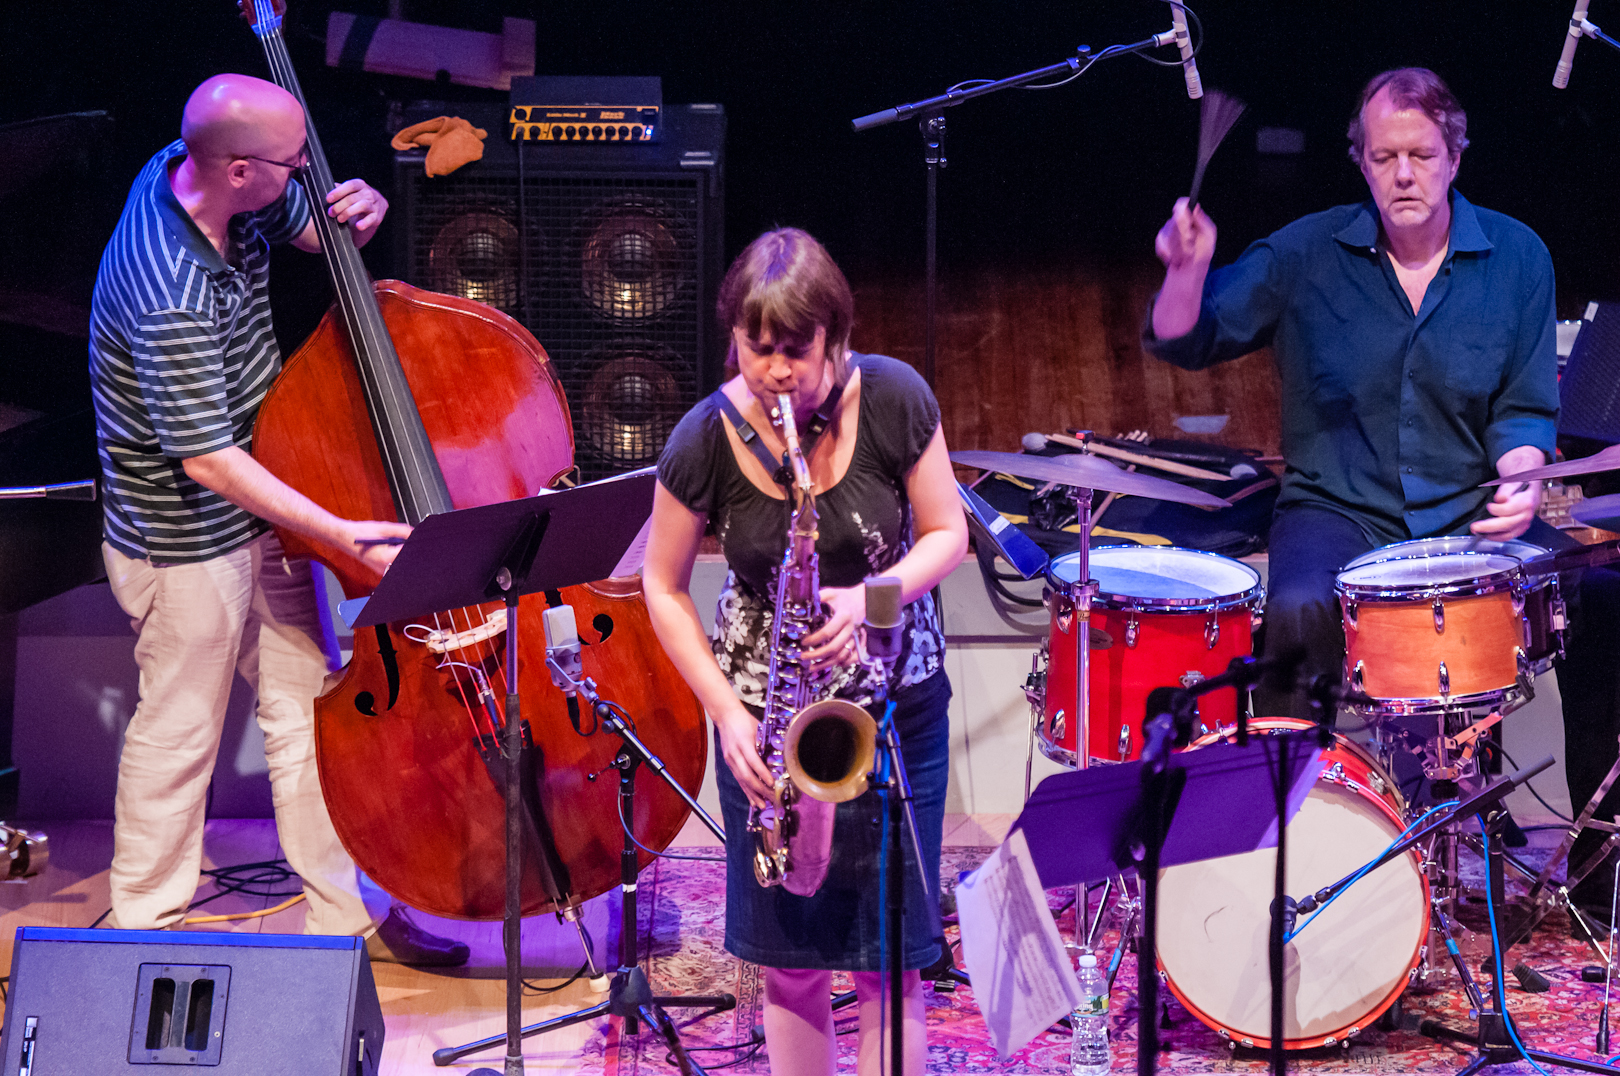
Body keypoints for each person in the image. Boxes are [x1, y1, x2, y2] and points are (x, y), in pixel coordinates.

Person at [1144, 66, 1620, 919]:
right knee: (1293, 610)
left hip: (1463, 515)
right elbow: (1190, 337)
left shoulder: (1517, 258)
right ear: (1359, 161)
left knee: (1607, 597)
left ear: (1455, 154)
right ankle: (1283, 847)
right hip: (1338, 509)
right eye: (1384, 156)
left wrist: (1518, 482)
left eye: (1421, 154)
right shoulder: (1302, 253)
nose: (1404, 174)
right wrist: (1186, 270)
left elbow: (1523, 410)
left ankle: (1598, 864)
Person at [88, 73, 465, 963]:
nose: (306, 174)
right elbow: (205, 458)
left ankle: (350, 919)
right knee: (181, 728)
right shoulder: (164, 281)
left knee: (310, 711)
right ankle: (144, 935)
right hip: (182, 537)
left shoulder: (223, 181)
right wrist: (335, 533)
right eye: (292, 163)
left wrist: (357, 211)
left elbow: (312, 226)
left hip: (262, 504)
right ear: (238, 173)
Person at [643, 228, 967, 1076]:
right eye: (759, 350)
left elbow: (946, 535)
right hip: (768, 718)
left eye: (797, 350)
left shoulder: (895, 397)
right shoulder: (704, 437)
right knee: (790, 960)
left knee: (890, 959)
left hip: (894, 708)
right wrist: (725, 713)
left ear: (836, 336)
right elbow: (662, 585)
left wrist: (870, 599)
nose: (778, 372)